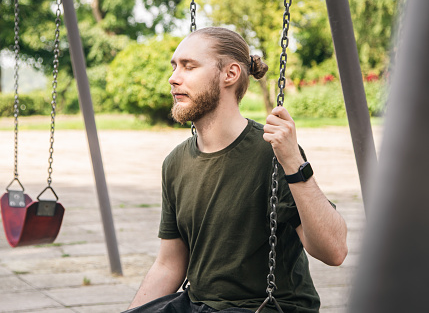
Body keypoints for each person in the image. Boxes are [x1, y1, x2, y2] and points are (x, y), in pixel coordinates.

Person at [124, 27, 348, 313]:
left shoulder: (273, 152)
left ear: (230, 74)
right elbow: (169, 264)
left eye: (188, 66)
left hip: (265, 306)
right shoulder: (175, 162)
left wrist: (294, 163)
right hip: (199, 305)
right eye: (174, 66)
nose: (173, 78)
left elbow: (334, 251)